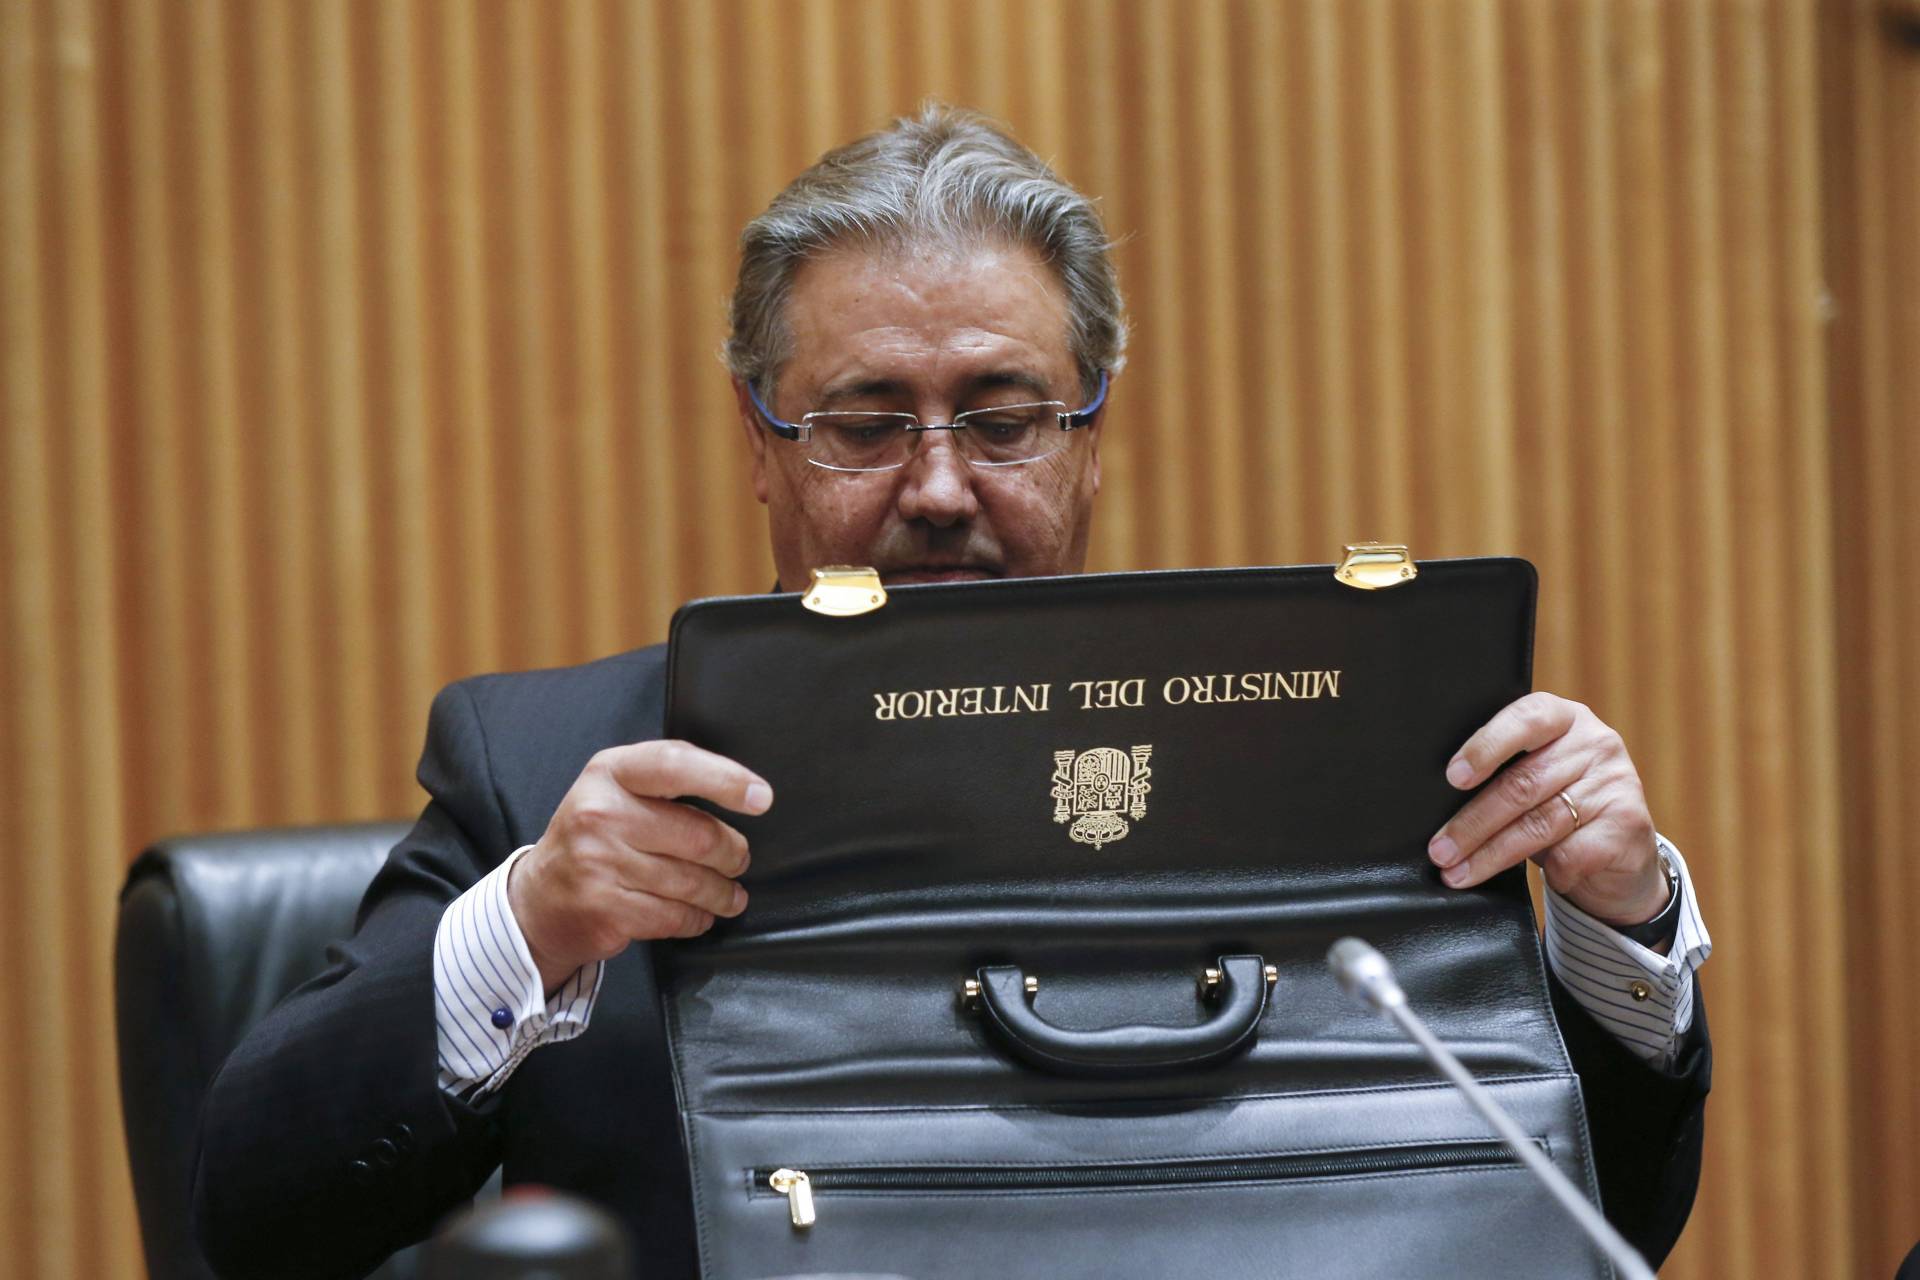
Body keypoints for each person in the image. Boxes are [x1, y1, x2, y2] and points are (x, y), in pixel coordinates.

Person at [193, 104, 1712, 1280]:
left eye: (1003, 420)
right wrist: (532, 921)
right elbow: (254, 1218)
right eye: (865, 424)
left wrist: (1616, 920)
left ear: (1093, 436)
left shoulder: (1323, 737)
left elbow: (1593, 1215)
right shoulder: (553, 764)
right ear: (762, 436)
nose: (937, 489)